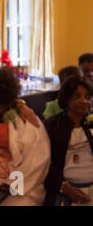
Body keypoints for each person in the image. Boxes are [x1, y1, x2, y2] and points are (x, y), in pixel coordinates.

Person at [0, 67, 51, 206]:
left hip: (18, 186)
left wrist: (12, 184)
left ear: (8, 102)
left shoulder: (25, 120)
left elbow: (37, 159)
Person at [44, 75, 93, 206]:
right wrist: (63, 187)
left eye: (88, 97)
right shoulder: (52, 125)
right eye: (77, 97)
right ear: (66, 99)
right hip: (65, 190)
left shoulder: (91, 123)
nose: (84, 101)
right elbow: (43, 162)